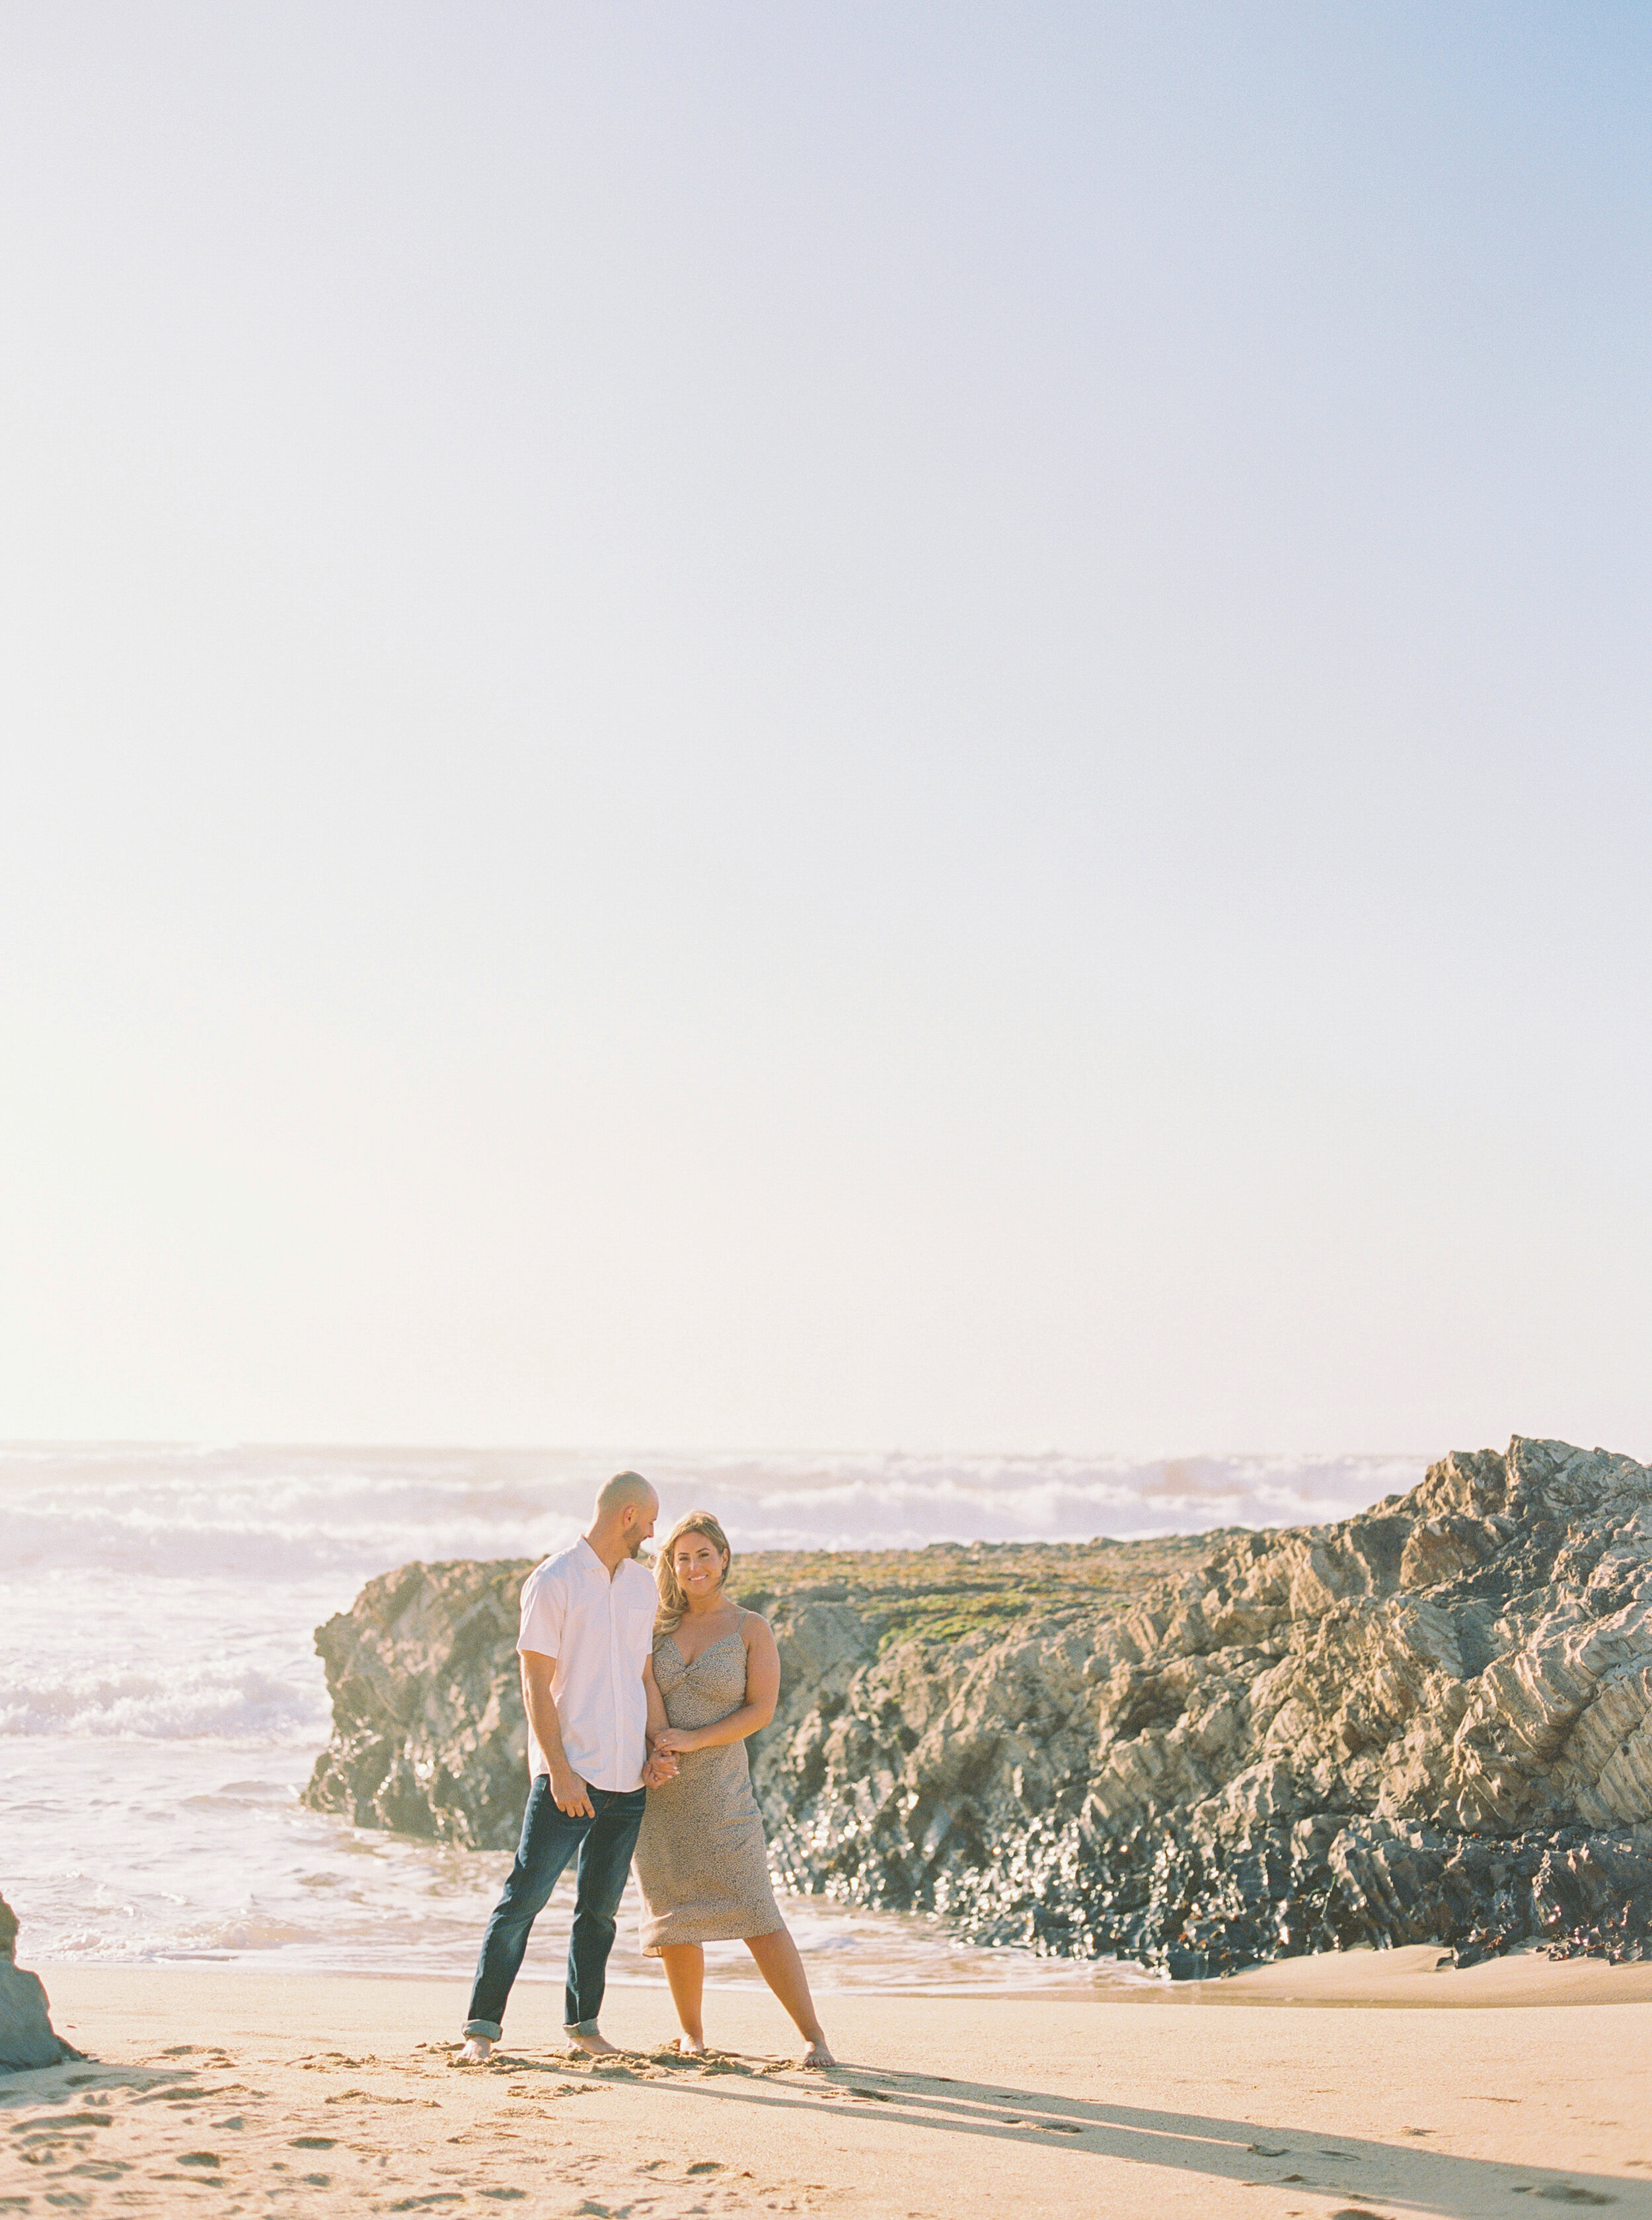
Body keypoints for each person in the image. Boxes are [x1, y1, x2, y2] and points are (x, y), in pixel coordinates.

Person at [458, 1471, 677, 2063]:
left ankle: (584, 2028)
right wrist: (558, 1769)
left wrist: (658, 1748)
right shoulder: (553, 1580)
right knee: (522, 1901)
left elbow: (644, 1676)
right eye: (651, 1520)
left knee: (599, 1913)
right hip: (569, 1775)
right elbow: (533, 1680)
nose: (655, 1533)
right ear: (627, 1515)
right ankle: (481, 2029)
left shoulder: (641, 1586)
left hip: (627, 1777)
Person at [634, 1511, 835, 2067]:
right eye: (682, 1557)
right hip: (661, 1791)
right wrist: (659, 1747)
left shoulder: (750, 1628)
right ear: (670, 1566)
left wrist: (693, 1742)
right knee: (674, 1922)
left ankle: (814, 2036)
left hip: (723, 1794)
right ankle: (692, 2034)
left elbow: (761, 1710)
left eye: (703, 1555)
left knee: (757, 1913)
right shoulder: (657, 1628)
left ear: (724, 1557)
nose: (693, 1567)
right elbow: (648, 1685)